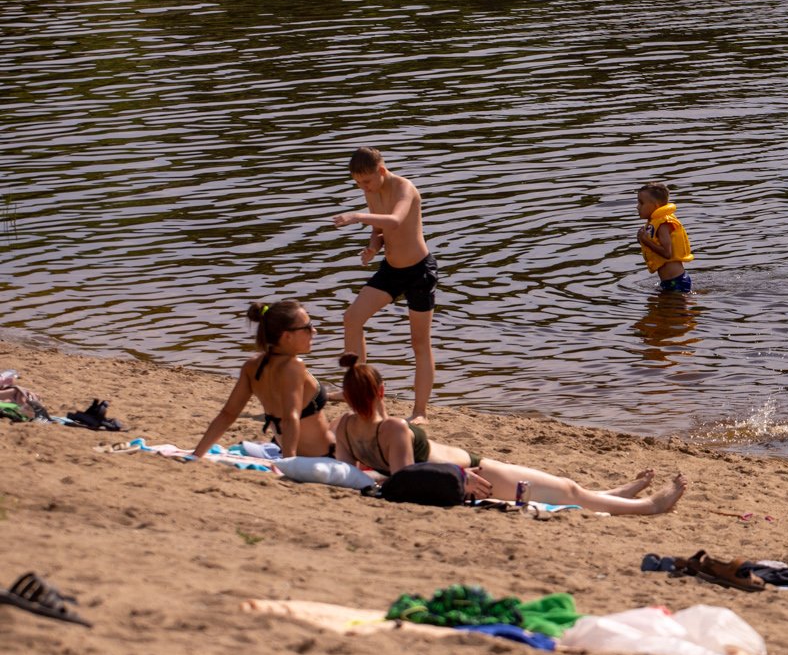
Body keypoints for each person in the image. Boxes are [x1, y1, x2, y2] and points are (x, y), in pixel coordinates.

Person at [332, 362, 688, 515]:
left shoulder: (344, 425)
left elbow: (351, 476)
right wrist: (458, 478)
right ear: (382, 390)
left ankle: (613, 495)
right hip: (475, 475)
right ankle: (649, 507)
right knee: (567, 490)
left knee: (566, 489)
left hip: (466, 472)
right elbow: (405, 478)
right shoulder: (392, 427)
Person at [332, 147, 438, 422]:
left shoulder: (405, 188)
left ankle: (420, 411)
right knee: (352, 318)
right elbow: (380, 230)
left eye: (366, 181)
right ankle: (356, 388)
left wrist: (356, 216)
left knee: (419, 343)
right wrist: (372, 247)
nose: (363, 187)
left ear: (381, 170)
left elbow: (395, 220)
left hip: (419, 272)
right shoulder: (371, 190)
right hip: (391, 270)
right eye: (358, 184)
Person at [189, 300, 337, 459]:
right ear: (287, 336)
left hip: (289, 450)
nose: (314, 331)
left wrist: (197, 454)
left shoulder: (251, 366)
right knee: (348, 421)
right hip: (325, 456)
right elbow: (290, 418)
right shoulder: (293, 366)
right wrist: (289, 463)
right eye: (308, 327)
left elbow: (227, 414)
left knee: (338, 422)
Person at [635, 181, 696, 295]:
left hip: (676, 281)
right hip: (670, 281)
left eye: (641, 203)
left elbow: (667, 253)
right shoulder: (655, 223)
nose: (637, 207)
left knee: (676, 312)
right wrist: (642, 239)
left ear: (655, 205)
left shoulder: (663, 224)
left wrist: (646, 241)